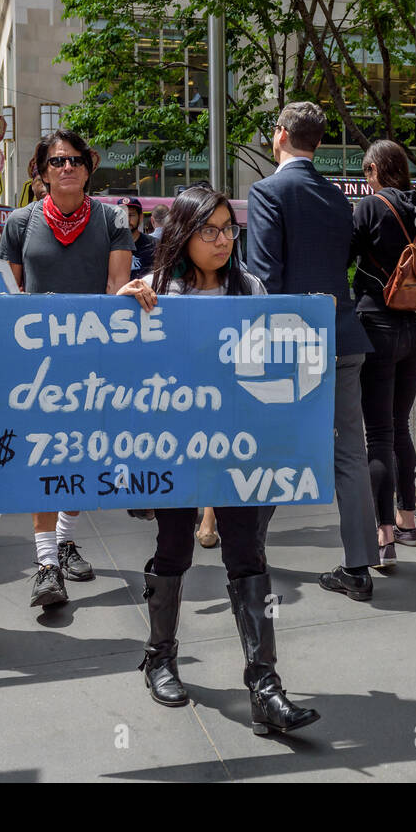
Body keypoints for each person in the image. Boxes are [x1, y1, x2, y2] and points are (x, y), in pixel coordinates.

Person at [115, 185, 319, 735]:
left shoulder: (248, 287)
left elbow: (275, 356)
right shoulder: (157, 288)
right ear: (184, 233)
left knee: (247, 554)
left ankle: (265, 685)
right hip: (174, 446)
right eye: (211, 230)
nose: (224, 240)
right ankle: (159, 657)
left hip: (237, 445)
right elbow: (121, 362)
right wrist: (125, 307)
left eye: (230, 229)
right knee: (174, 546)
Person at [246, 102, 378, 601]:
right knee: (350, 452)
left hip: (288, 341)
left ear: (280, 136)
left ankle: (250, 549)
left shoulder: (267, 192)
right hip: (342, 335)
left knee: (275, 446)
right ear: (318, 143)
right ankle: (360, 566)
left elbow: (264, 278)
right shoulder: (338, 198)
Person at [0, 130, 134, 611]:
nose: (67, 167)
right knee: (43, 458)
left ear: (88, 167)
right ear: (42, 169)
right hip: (37, 364)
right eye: (57, 161)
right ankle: (46, 565)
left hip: (93, 360)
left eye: (75, 160)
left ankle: (66, 538)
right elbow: (8, 296)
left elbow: (117, 285)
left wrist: (133, 294)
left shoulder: (112, 220)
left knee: (80, 455)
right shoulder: (19, 222)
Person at [351, 140, 416, 567]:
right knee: (401, 425)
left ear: (373, 171)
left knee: (379, 435)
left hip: (379, 328)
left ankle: (383, 536)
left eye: (365, 173)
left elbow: (347, 261)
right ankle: (408, 522)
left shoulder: (368, 209)